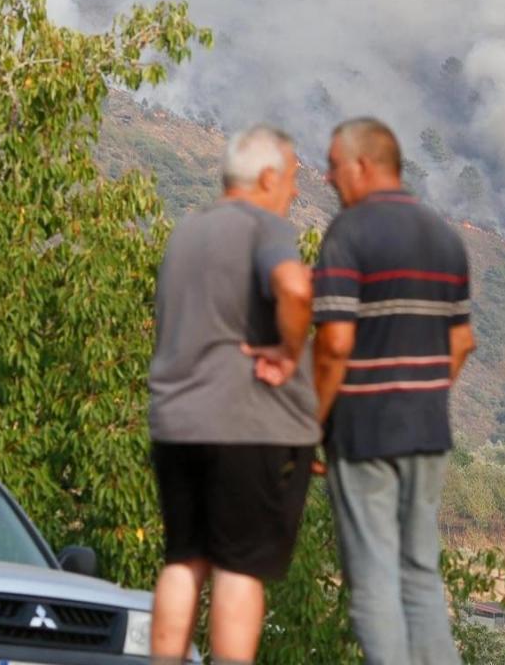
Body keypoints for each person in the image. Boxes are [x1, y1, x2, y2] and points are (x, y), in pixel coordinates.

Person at [146, 125, 318, 665]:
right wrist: (290, 353)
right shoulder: (263, 228)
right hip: (239, 424)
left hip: (174, 423)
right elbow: (295, 287)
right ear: (268, 177)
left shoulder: (186, 233)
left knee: (184, 560)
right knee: (238, 566)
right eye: (291, 180)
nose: (293, 192)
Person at [309, 117, 475, 665]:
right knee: (421, 576)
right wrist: (421, 396)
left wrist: (312, 423)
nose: (329, 179)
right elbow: (462, 343)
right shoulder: (443, 236)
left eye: (334, 167)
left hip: (364, 433)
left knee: (373, 581)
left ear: (362, 165)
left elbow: (334, 342)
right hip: (427, 433)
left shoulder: (348, 235)